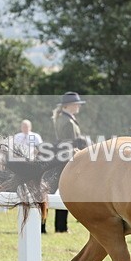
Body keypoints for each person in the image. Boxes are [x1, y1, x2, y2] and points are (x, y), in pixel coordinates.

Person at [52, 91, 87, 233]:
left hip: (63, 157)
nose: (78, 106)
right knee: (66, 192)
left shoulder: (64, 118)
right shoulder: (67, 121)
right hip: (68, 159)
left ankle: (61, 226)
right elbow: (70, 144)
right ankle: (61, 226)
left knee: (62, 191)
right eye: (76, 104)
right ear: (69, 105)